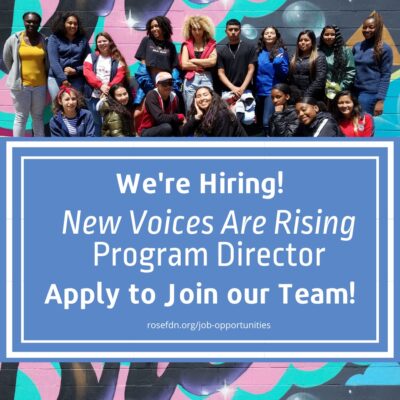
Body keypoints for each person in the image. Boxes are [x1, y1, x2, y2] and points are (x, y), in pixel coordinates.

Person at [3, 11, 48, 137]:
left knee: (38, 117)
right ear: (24, 22)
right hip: (21, 87)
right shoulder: (15, 39)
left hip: (40, 86)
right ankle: (17, 146)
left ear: (39, 23)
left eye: (35, 22)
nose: (31, 24)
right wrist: (15, 73)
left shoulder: (44, 39)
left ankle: (39, 147)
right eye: (28, 21)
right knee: (21, 117)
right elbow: (7, 59)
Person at [83, 32, 129, 135]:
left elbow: (120, 75)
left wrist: (108, 88)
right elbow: (87, 72)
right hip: (93, 97)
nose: (102, 43)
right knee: (96, 122)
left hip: (110, 97)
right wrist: (100, 85)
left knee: (110, 122)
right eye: (99, 41)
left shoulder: (117, 58)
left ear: (110, 42)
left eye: (104, 41)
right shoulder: (91, 57)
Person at [352, 11, 393, 116]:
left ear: (378, 28)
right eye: (364, 27)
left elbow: (386, 75)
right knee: (352, 125)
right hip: (354, 92)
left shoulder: (384, 49)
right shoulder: (357, 47)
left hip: (369, 95)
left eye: (371, 27)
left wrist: (380, 100)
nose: (367, 30)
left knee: (363, 125)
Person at [134, 16, 180, 106]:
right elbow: (143, 65)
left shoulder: (170, 46)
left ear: (164, 26)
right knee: (138, 112)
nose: (153, 29)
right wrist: (149, 85)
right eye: (151, 27)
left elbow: (174, 68)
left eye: (156, 26)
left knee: (163, 110)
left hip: (165, 84)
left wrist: (170, 85)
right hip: (148, 82)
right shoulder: (147, 41)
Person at [47, 12, 91, 99]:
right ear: (63, 24)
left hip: (76, 79)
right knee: (58, 107)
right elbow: (53, 61)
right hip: (56, 78)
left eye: (75, 24)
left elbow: (89, 62)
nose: (73, 26)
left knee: (75, 106)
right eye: (70, 23)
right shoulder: (54, 38)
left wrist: (76, 70)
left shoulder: (82, 40)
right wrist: (63, 79)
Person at [255, 26, 289, 134]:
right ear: (263, 37)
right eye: (266, 33)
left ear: (276, 36)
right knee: (258, 122)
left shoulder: (281, 52)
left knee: (267, 122)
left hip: (271, 92)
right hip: (258, 91)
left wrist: (277, 64)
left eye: (272, 33)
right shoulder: (258, 52)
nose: (269, 35)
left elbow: (284, 75)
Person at [180, 15, 217, 113]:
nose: (197, 32)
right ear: (190, 30)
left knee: (209, 107)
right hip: (191, 78)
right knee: (189, 107)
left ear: (204, 29)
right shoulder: (186, 44)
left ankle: (208, 127)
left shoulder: (211, 44)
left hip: (206, 77)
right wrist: (204, 64)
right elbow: (184, 64)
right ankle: (191, 127)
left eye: (199, 29)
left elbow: (213, 62)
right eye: (194, 29)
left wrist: (192, 60)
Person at [182, 86, 247, 137]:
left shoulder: (222, 115)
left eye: (205, 95)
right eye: (198, 96)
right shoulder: (200, 114)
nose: (202, 98)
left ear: (212, 97)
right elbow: (183, 132)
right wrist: (197, 117)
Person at [136, 72, 185, 137]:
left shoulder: (175, 97)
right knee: (167, 128)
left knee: (180, 129)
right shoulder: (152, 95)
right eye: (164, 84)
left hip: (165, 126)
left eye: (170, 83)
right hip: (148, 130)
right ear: (157, 85)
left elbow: (176, 119)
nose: (168, 86)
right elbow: (159, 118)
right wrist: (179, 116)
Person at [318, 25, 355, 100]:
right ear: (322, 36)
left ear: (337, 36)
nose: (329, 37)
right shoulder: (318, 51)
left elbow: (351, 71)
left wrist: (339, 88)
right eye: (326, 34)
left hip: (340, 92)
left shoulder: (345, 51)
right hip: (321, 92)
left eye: (332, 34)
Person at [288, 30, 327, 101]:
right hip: (294, 98)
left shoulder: (319, 56)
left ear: (312, 42)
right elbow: (290, 79)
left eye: (306, 40)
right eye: (300, 40)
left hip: (312, 98)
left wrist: (306, 95)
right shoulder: (293, 57)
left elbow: (320, 80)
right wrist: (295, 94)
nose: (303, 42)